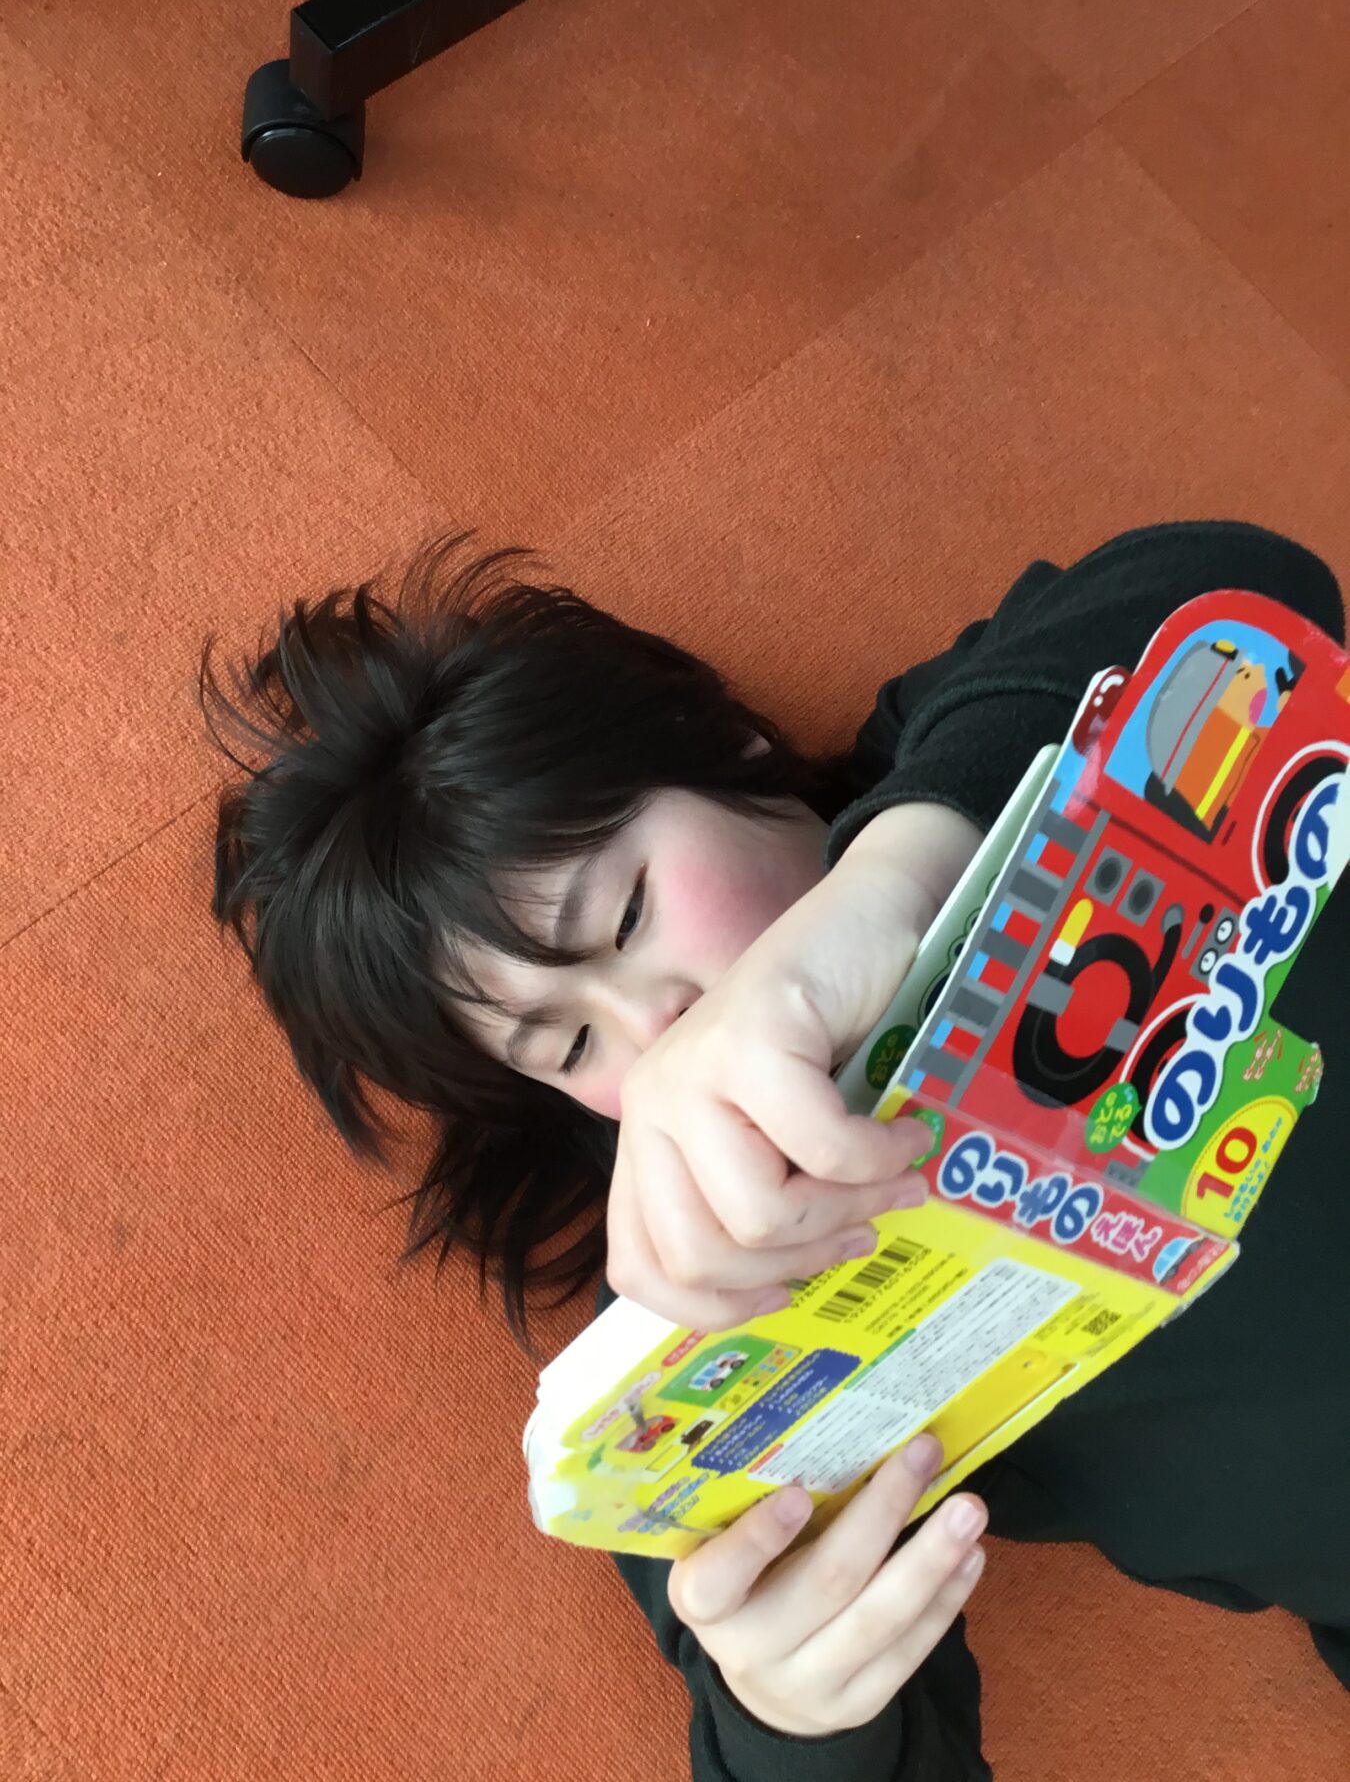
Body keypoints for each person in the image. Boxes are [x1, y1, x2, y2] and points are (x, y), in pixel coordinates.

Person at [199, 519, 1349, 1781]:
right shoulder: (698, 1296)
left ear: (729, 757)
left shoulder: (964, 748)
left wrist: (891, 886)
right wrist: (790, 1708)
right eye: (571, 1045)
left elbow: (1252, 612)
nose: (662, 1030)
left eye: (628, 915)